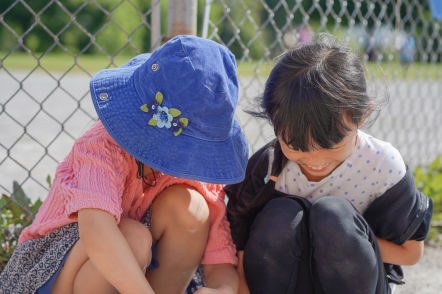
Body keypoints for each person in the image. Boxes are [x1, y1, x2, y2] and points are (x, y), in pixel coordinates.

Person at [0, 35, 249, 294]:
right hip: (49, 272)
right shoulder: (102, 146)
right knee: (132, 237)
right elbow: (97, 231)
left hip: (129, 274)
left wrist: (222, 290)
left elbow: (219, 264)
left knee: (191, 208)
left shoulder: (198, 166)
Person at [225, 34, 433, 294]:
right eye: (297, 147)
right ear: (273, 120)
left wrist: (335, 240)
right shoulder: (269, 165)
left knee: (333, 217)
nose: (316, 161)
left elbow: (411, 253)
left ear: (362, 116)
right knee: (280, 217)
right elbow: (240, 235)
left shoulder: (382, 166)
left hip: (355, 279)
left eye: (331, 145)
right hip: (287, 281)